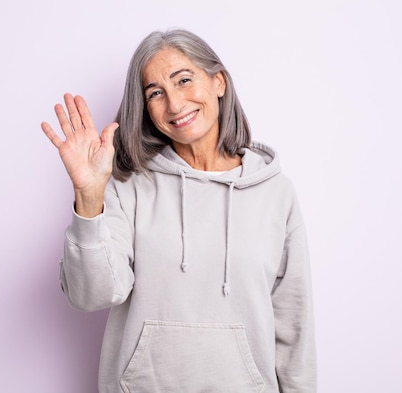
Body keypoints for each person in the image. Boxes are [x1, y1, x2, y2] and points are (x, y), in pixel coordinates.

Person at [41, 28, 316, 393]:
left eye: (184, 80)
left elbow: (294, 324)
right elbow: (91, 295)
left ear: (218, 82)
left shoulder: (274, 192)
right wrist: (89, 194)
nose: (174, 104)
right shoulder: (128, 185)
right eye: (156, 92)